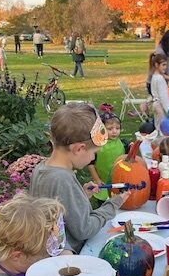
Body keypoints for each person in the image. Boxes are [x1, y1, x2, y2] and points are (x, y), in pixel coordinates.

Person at [29, 103, 130, 252]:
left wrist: (81, 196)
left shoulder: (42, 168)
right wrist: (112, 205)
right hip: (67, 256)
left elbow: (59, 209)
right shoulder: (62, 179)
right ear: (79, 149)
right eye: (93, 153)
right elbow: (84, 230)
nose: (92, 158)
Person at [88, 113, 126, 205]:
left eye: (117, 128)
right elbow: (90, 165)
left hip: (118, 180)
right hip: (102, 181)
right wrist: (97, 179)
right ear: (101, 130)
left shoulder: (122, 143)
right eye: (110, 129)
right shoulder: (97, 146)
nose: (114, 131)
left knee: (118, 202)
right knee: (103, 204)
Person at [146, 29, 169, 94]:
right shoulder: (160, 53)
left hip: (162, 83)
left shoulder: (167, 50)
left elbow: (166, 69)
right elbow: (158, 74)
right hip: (155, 85)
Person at [149, 54, 169, 134]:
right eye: (163, 65)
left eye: (166, 65)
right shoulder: (159, 78)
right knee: (163, 129)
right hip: (160, 105)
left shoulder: (154, 76)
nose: (165, 67)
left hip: (156, 104)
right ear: (156, 65)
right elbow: (163, 96)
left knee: (158, 126)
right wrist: (168, 110)